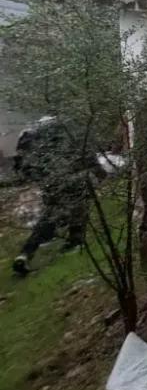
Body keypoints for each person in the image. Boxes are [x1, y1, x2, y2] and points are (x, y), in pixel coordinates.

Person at [11, 117, 96, 276]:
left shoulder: (33, 135)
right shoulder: (67, 132)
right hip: (69, 178)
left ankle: (26, 253)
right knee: (78, 205)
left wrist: (40, 179)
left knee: (51, 215)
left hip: (49, 180)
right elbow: (87, 156)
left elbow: (23, 165)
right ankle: (75, 240)